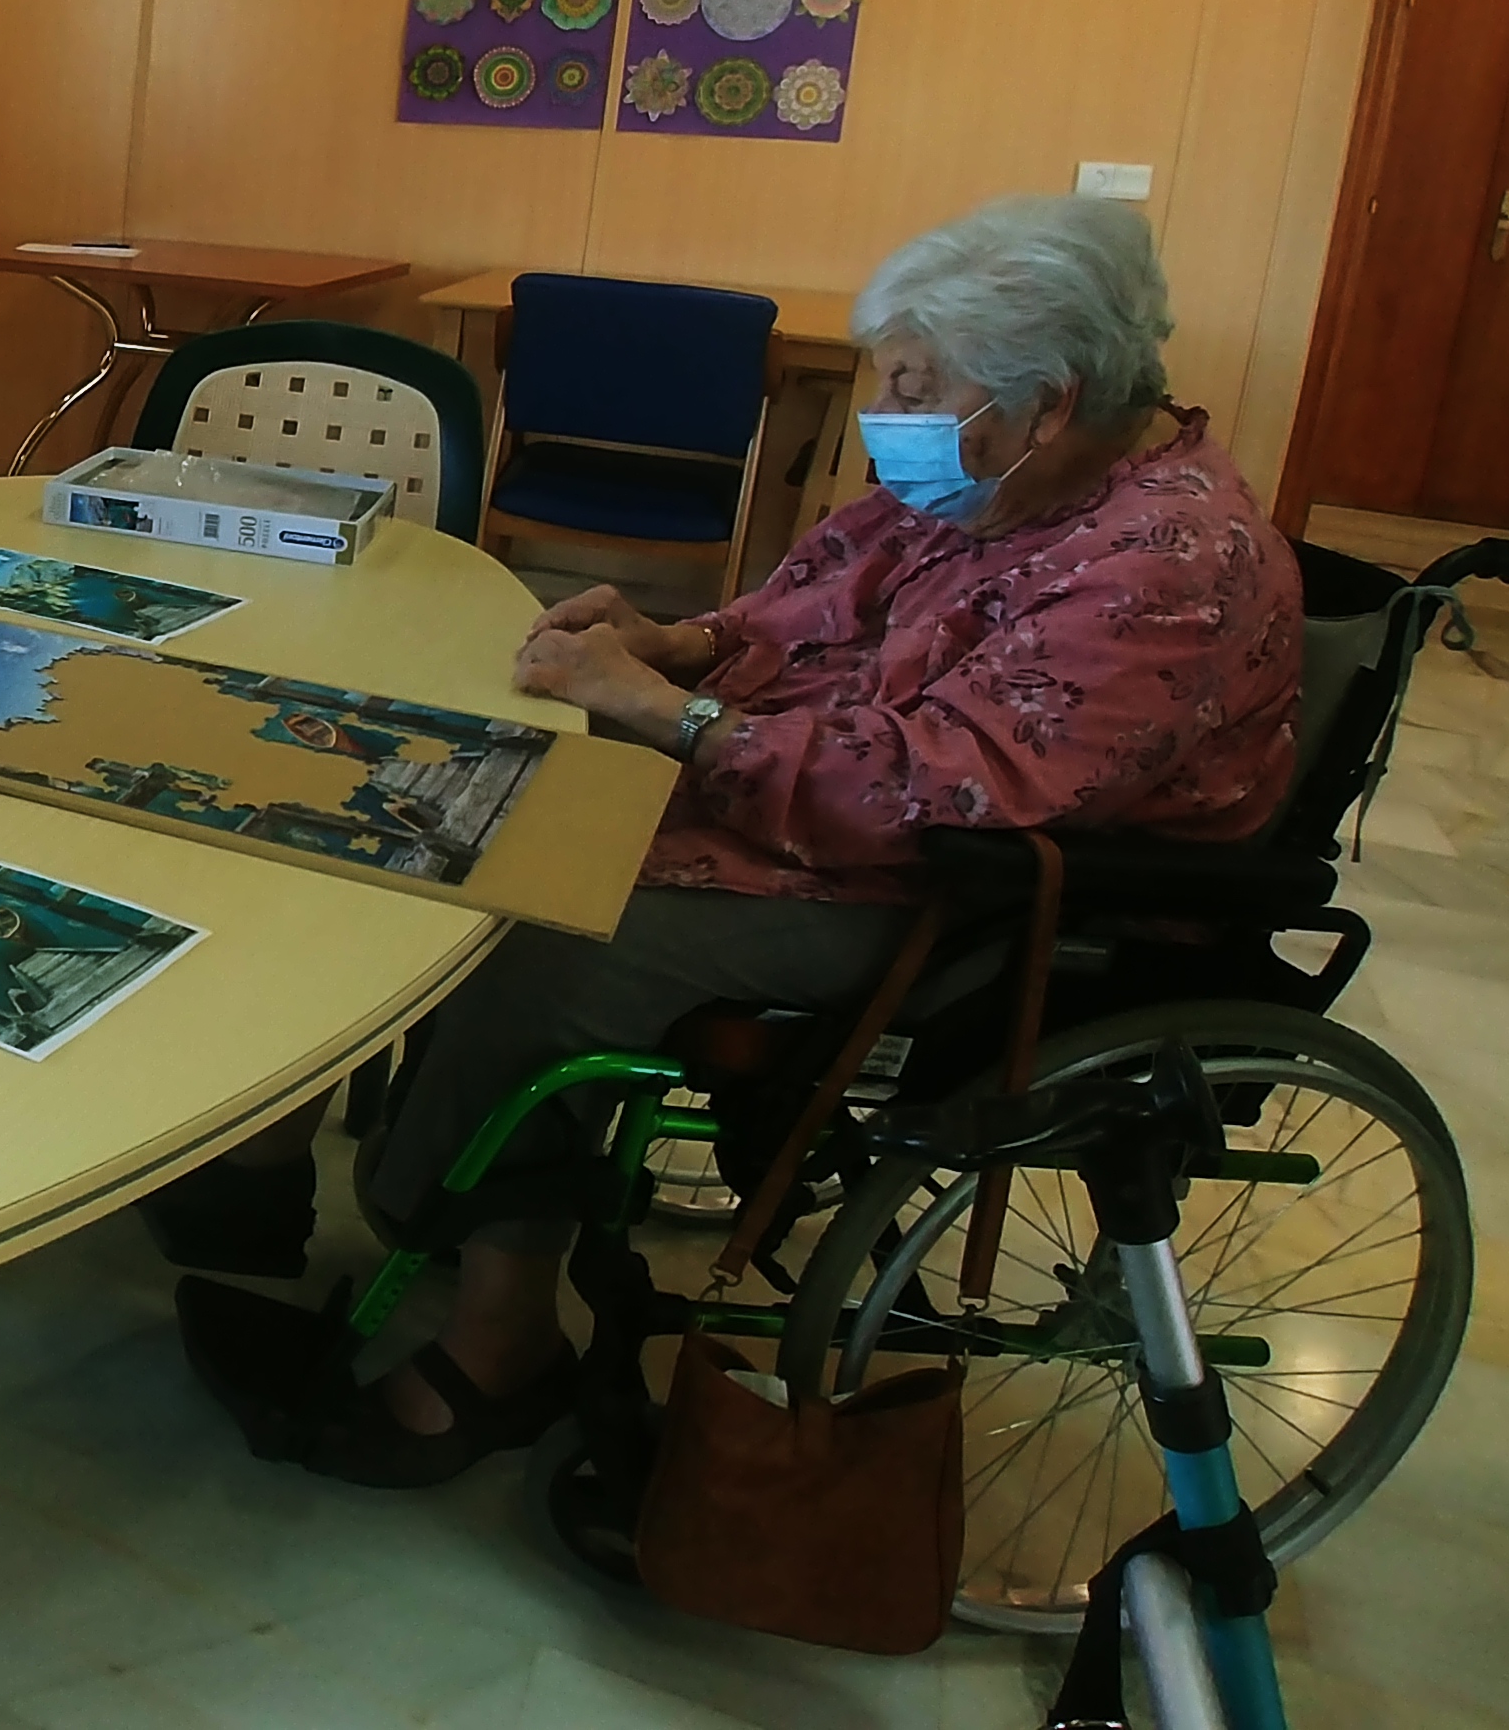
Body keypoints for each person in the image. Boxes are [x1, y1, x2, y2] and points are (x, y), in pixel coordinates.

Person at [177, 195, 1304, 1487]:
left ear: (1045, 402)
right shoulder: (1012, 476)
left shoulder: (1164, 561)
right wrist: (687, 643)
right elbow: (830, 585)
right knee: (480, 810)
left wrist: (669, 710)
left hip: (985, 900)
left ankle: (500, 1348)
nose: (893, 414)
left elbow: (941, 792)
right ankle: (415, 1197)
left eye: (917, 387)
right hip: (859, 816)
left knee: (541, 928)